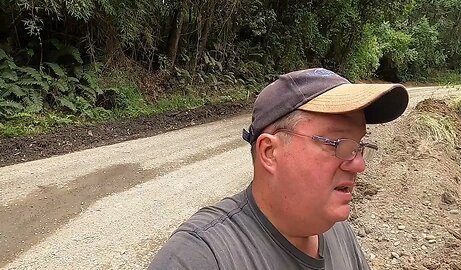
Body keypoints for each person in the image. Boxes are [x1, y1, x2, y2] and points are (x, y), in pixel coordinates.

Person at [149, 68, 409, 270]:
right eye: (339, 143)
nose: (359, 164)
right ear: (269, 152)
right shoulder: (202, 257)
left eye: (358, 146)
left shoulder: (339, 234)